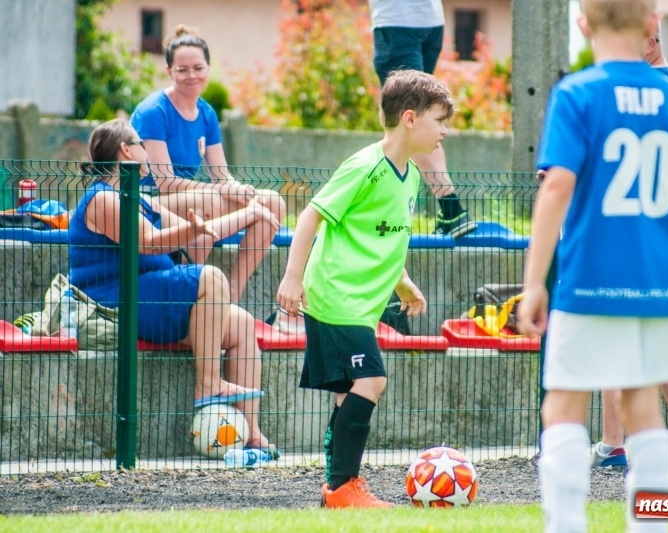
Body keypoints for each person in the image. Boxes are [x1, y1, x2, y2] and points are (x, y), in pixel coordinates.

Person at [516, 0, 668, 530]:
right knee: (645, 411)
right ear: (651, 25)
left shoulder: (576, 93)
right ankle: (653, 525)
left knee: (562, 409)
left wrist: (535, 282)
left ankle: (565, 525)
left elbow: (556, 186)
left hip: (587, 284)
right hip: (653, 285)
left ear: (583, 25)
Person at [277, 70, 446, 508]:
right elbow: (311, 216)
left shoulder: (411, 176)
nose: (444, 130)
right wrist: (292, 277)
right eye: (439, 119)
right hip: (336, 296)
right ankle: (343, 488)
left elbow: (384, 237)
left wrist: (403, 283)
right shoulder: (365, 166)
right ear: (410, 118)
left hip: (359, 305)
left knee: (346, 393)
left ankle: (337, 489)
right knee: (372, 380)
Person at [70, 119, 280, 457]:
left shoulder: (138, 197)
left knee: (241, 323)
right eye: (140, 144)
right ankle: (208, 384)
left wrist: (251, 214)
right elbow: (149, 242)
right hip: (117, 301)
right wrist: (195, 229)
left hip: (150, 297)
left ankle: (251, 434)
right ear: (126, 150)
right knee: (210, 277)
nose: (145, 151)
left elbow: (197, 233)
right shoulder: (103, 199)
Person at [593, 20, 668, 470]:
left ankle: (614, 444)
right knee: (658, 331)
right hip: (667, 226)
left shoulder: (621, 86)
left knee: (612, 330)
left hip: (624, 226)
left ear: (647, 42)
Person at [131, 25, 286, 303]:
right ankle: (188, 289)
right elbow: (165, 183)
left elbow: (221, 176)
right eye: (183, 69)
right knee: (209, 202)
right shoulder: (154, 112)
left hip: (192, 198)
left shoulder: (207, 113)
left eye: (198, 68)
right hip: (147, 200)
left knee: (273, 202)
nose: (192, 75)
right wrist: (220, 190)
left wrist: (242, 191)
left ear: (209, 68)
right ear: (169, 71)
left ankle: (233, 293)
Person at [368, 0, 477, 238]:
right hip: (430, 21)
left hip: (396, 22)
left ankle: (451, 210)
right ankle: (440, 210)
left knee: (408, 119)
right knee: (402, 112)